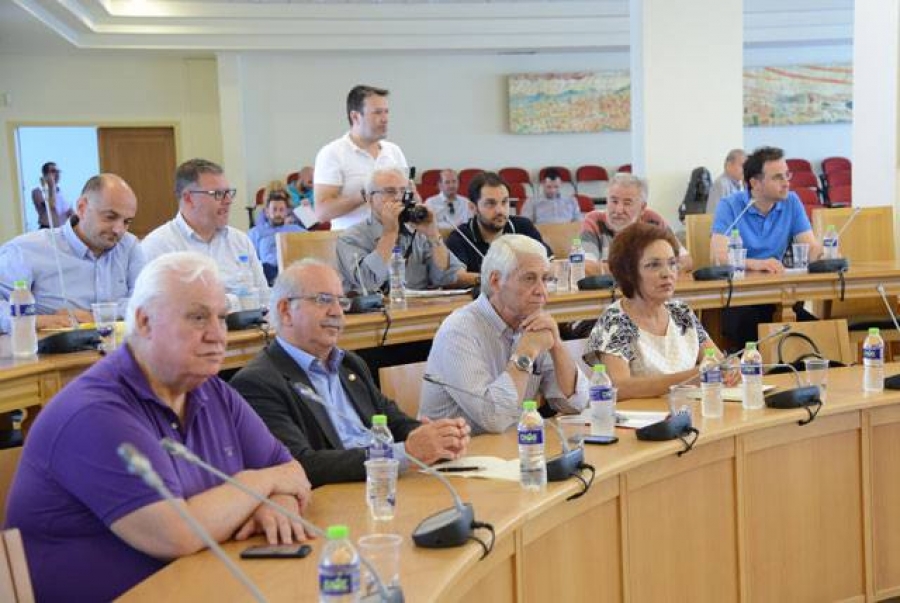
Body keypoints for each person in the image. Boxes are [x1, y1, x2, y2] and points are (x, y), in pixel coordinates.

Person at [4, 252, 312, 602]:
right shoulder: (94, 412)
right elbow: (177, 534)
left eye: (222, 318)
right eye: (198, 317)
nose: (217, 335)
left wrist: (275, 504)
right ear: (145, 322)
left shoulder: (212, 390)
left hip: (204, 587)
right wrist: (257, 485)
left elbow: (291, 472)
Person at [230, 260, 471, 487]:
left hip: (382, 487)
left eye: (341, 301)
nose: (337, 312)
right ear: (286, 311)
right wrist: (404, 453)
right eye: (324, 300)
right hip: (337, 499)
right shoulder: (257, 383)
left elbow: (393, 421)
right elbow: (300, 464)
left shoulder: (349, 364)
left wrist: (438, 438)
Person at [420, 234, 589, 434]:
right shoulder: (458, 332)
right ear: (496, 281)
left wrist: (557, 346)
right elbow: (494, 419)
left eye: (545, 279)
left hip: (512, 445)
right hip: (460, 449)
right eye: (529, 279)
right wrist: (525, 354)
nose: (542, 291)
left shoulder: (534, 325)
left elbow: (576, 403)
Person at [584, 222, 735, 400]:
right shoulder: (615, 320)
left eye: (672, 264)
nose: (667, 273)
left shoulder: (681, 312)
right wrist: (689, 378)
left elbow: (715, 360)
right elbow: (619, 387)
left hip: (689, 408)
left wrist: (730, 368)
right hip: (643, 415)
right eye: (654, 265)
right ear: (629, 273)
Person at [0, 173, 145, 333]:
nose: (119, 230)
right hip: (51, 347)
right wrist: (35, 321)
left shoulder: (129, 246)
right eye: (110, 217)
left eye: (127, 222)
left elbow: (146, 302)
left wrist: (95, 316)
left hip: (116, 346)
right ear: (82, 208)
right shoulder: (26, 250)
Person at [710, 146, 822, 347]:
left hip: (778, 296)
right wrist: (756, 264)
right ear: (755, 183)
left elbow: (810, 249)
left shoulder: (791, 201)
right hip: (740, 300)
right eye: (778, 177)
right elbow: (718, 257)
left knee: (818, 335)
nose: (786, 182)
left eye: (787, 175)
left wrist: (826, 253)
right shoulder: (730, 205)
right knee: (756, 332)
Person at [141, 158, 269, 306]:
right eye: (218, 194)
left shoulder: (240, 241)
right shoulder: (158, 247)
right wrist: (231, 302)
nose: (228, 201)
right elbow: (158, 308)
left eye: (228, 193)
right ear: (189, 198)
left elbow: (265, 300)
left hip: (249, 321)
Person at [336, 167, 475, 294]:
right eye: (390, 191)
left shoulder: (418, 233)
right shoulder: (351, 238)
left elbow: (448, 277)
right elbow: (367, 282)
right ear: (369, 198)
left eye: (403, 191)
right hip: (376, 312)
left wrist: (433, 235)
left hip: (421, 309)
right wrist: (389, 234)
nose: (398, 198)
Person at [313, 85, 409, 230]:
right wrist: (365, 194)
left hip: (393, 236)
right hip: (350, 240)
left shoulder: (394, 151)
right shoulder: (332, 153)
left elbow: (409, 197)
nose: (385, 119)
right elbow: (322, 213)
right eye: (377, 113)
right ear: (355, 116)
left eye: (386, 112)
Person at [580, 173, 693, 275]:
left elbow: (686, 260)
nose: (618, 210)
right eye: (614, 201)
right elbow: (586, 267)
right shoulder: (594, 221)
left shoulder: (653, 221)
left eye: (627, 203)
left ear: (642, 208)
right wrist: (647, 269)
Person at [445, 172, 552, 274]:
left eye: (504, 202)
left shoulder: (523, 226)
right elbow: (456, 277)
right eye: (490, 203)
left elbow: (551, 262)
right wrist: (498, 280)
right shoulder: (460, 236)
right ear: (473, 207)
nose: (500, 210)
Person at [249, 189, 305, 283]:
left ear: (286, 212)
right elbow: (251, 259)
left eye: (281, 210)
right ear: (267, 212)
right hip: (268, 271)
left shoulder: (296, 230)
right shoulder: (256, 232)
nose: (278, 214)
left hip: (292, 270)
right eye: (274, 210)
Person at [30, 161, 73, 229]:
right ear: (45, 175)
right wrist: (51, 185)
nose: (57, 174)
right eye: (53, 171)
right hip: (47, 229)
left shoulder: (61, 193)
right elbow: (51, 205)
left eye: (58, 172)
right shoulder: (37, 191)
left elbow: (70, 213)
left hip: (60, 230)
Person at [706, 149, 746, 216]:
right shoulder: (721, 185)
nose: (745, 170)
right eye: (742, 166)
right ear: (729, 165)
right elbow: (714, 216)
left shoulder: (741, 185)